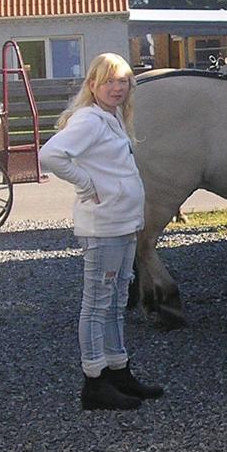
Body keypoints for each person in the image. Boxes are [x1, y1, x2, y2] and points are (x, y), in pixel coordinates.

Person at [39, 53, 164, 411]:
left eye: (123, 81)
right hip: (104, 226)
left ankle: (118, 370)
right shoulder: (90, 120)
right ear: (92, 85)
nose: (116, 88)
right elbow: (51, 155)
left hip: (123, 223)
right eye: (109, 81)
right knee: (97, 303)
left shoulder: (112, 119)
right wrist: (86, 184)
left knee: (116, 301)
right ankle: (94, 382)